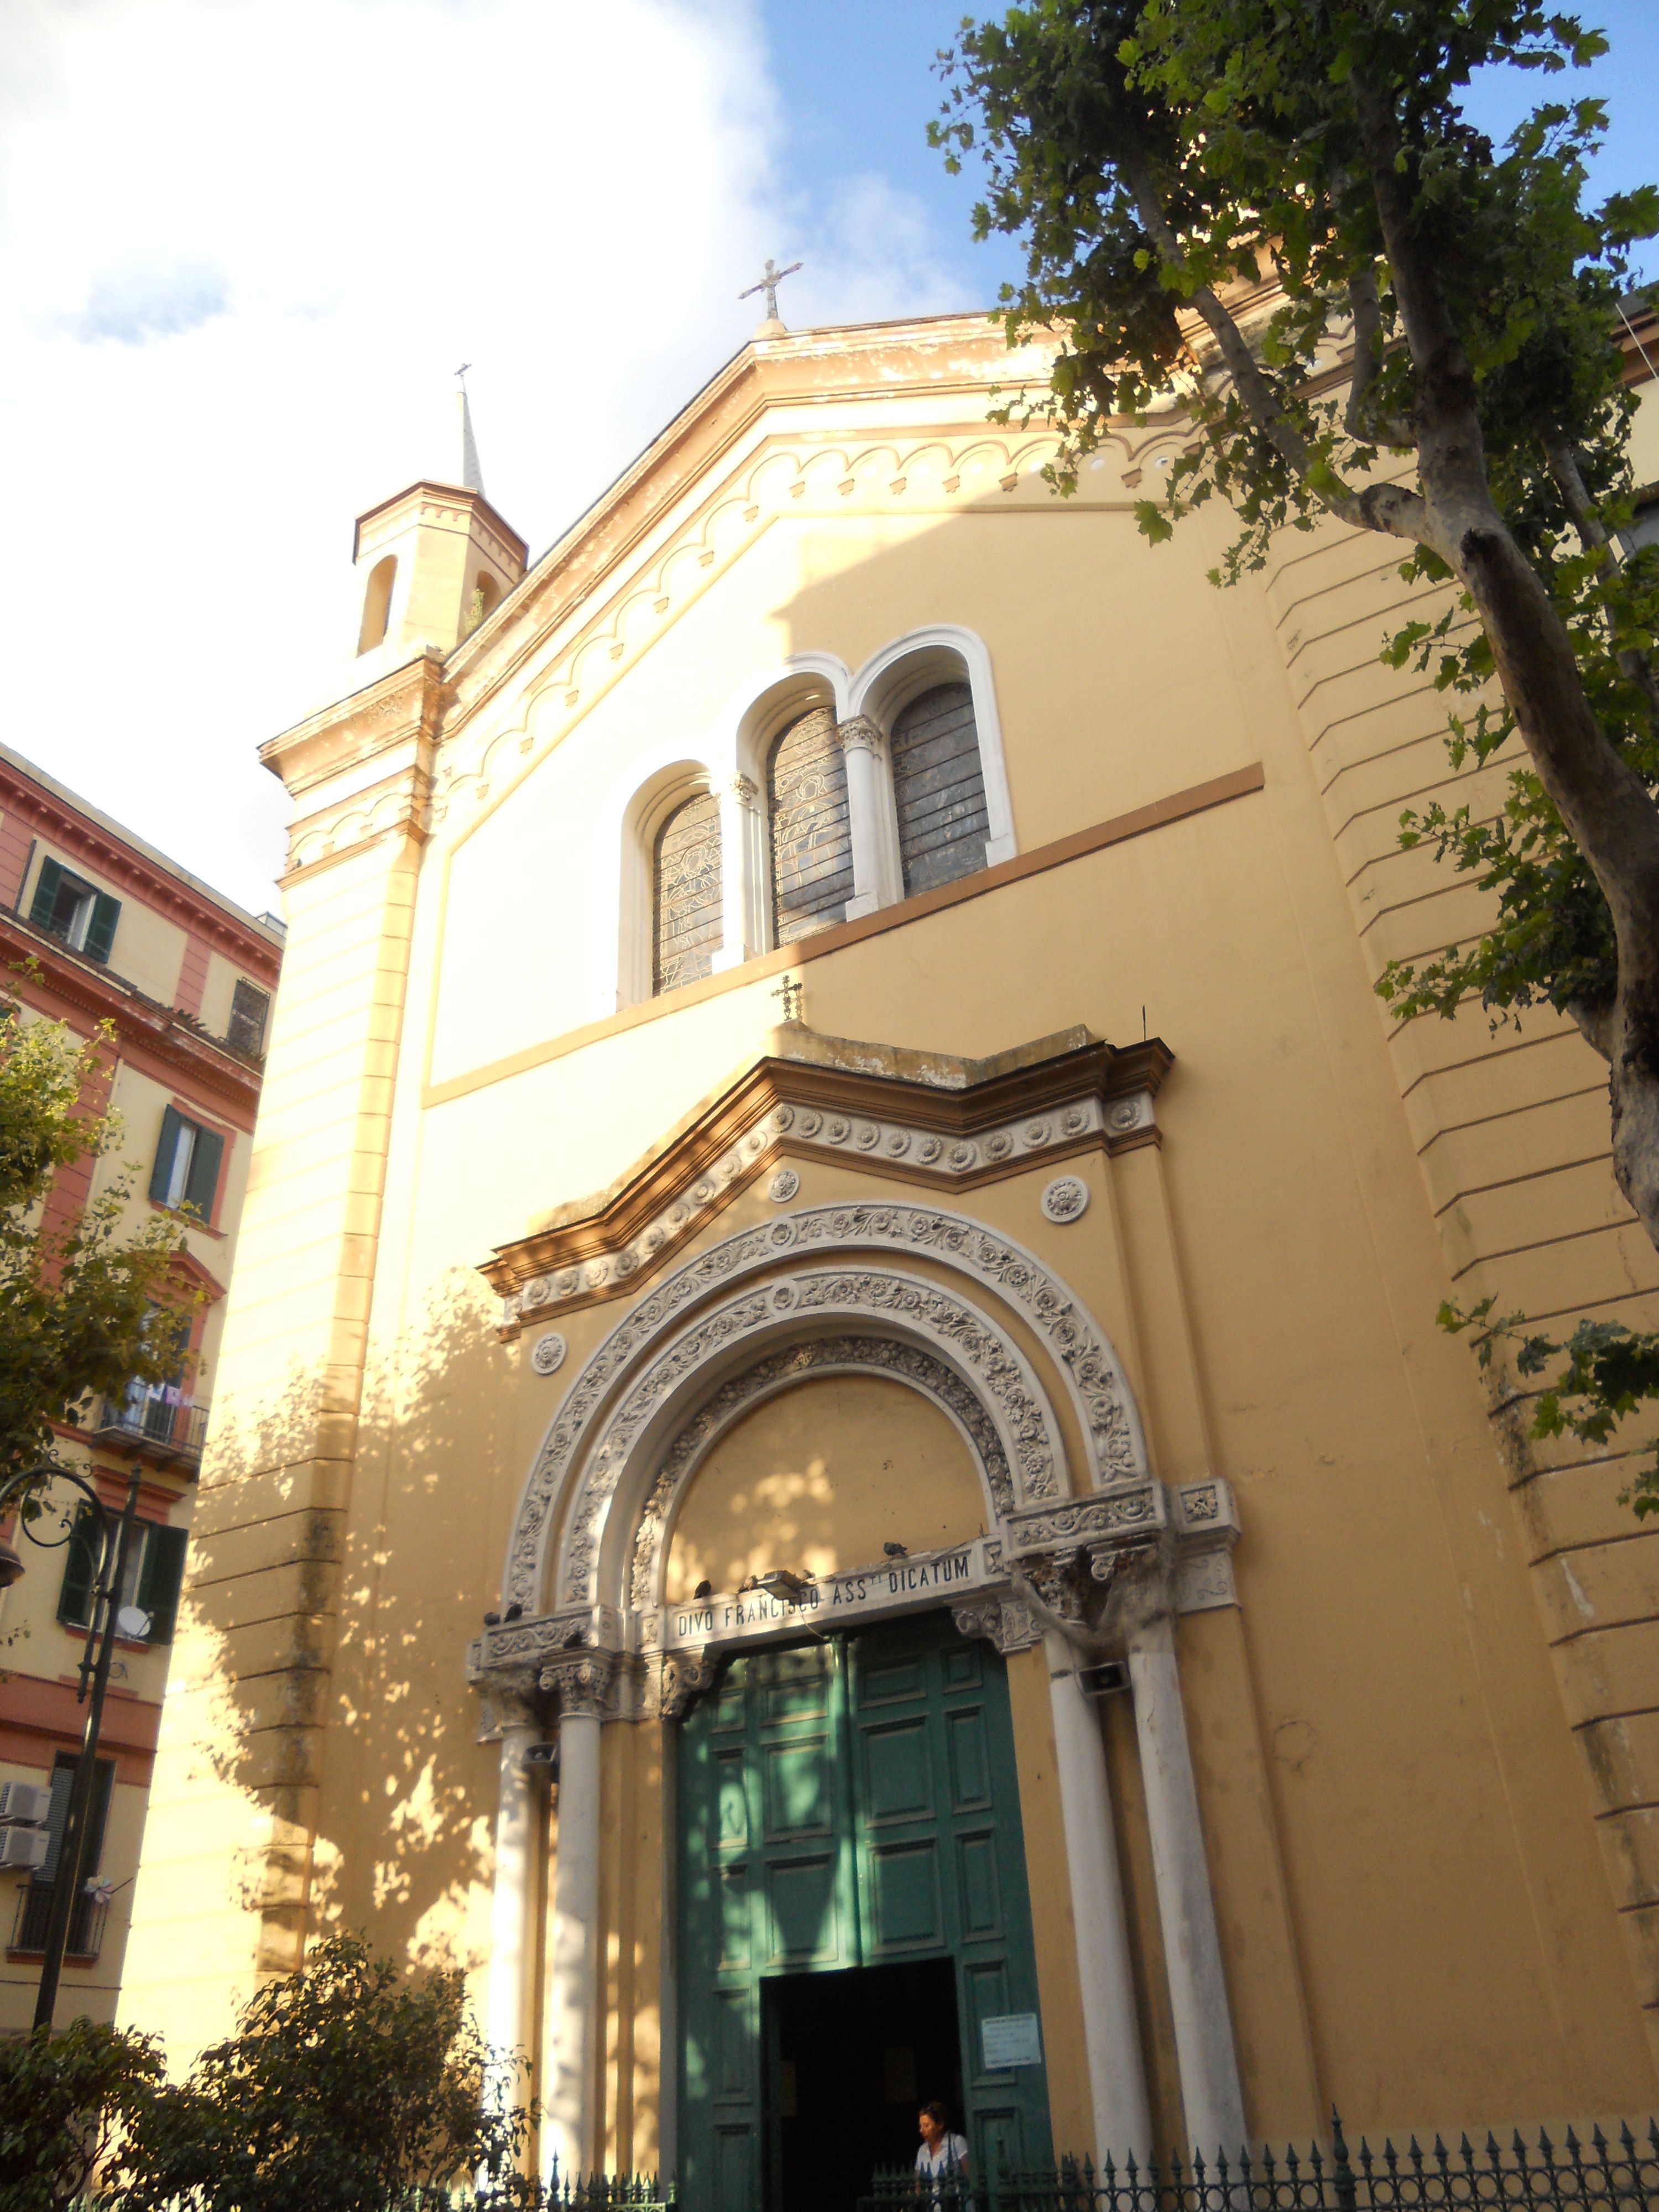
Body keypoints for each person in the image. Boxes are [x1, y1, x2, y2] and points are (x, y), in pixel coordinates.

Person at [915, 2103, 972, 2208]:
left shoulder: (957, 2143)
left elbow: (970, 2176)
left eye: (926, 2125)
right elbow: (918, 2186)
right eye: (921, 2126)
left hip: (954, 2206)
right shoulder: (922, 2151)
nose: (921, 2130)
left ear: (940, 2125)